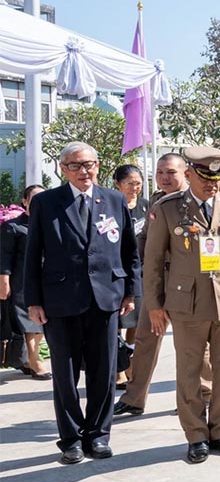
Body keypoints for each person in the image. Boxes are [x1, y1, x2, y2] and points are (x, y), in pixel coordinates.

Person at [142, 146, 220, 464]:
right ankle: (196, 436)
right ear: (191, 174)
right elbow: (152, 262)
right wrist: (154, 304)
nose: (212, 184)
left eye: (217, 179)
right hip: (186, 302)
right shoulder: (168, 209)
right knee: (190, 371)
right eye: (206, 178)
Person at [24, 142, 140, 464]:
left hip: (106, 299)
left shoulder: (115, 200)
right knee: (65, 374)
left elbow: (130, 251)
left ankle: (99, 436)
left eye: (89, 164)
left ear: (98, 166)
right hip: (61, 300)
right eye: (75, 165)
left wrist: (131, 291)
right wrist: (33, 301)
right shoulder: (47, 203)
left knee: (104, 373)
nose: (83, 171)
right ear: (63, 169)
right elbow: (33, 256)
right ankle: (71, 439)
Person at [114, 153, 213, 418]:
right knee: (146, 339)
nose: (164, 178)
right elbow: (146, 239)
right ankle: (134, 398)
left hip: (189, 285)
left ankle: (204, 394)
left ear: (186, 174)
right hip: (157, 281)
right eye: (160, 173)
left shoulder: (200, 200)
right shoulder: (157, 201)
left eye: (170, 172)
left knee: (196, 344)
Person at [0, 185, 49, 379]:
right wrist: (4, 281)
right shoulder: (12, 226)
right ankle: (35, 361)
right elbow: (4, 256)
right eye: (34, 198)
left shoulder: (49, 224)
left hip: (47, 279)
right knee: (29, 322)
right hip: (21, 281)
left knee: (43, 321)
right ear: (25, 201)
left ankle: (28, 359)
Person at [112, 165, 149, 389]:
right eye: (129, 183)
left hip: (141, 272)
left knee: (137, 321)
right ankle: (118, 370)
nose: (135, 188)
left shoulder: (146, 206)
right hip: (116, 273)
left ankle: (131, 364)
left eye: (138, 183)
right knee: (116, 323)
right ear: (117, 184)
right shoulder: (110, 205)